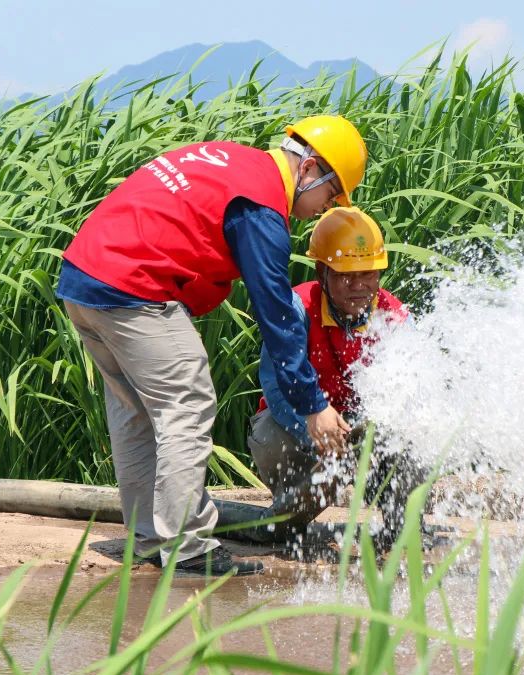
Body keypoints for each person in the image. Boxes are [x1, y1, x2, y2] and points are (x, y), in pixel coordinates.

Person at [55, 116, 368, 575]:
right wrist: (313, 405)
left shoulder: (237, 162)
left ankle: (147, 539)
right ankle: (188, 549)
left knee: (135, 410)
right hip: (132, 287)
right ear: (309, 170)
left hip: (85, 278)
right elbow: (278, 316)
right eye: (331, 193)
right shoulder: (262, 208)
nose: (327, 208)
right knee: (188, 402)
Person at [244, 206, 423, 550]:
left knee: (409, 438)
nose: (359, 286)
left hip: (360, 429)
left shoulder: (395, 318)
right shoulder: (295, 309)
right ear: (322, 271)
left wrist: (367, 434)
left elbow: (414, 392)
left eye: (368, 274)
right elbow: (277, 389)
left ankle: (400, 524)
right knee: (270, 436)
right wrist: (320, 437)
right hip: (298, 425)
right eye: (345, 276)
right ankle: (290, 520)